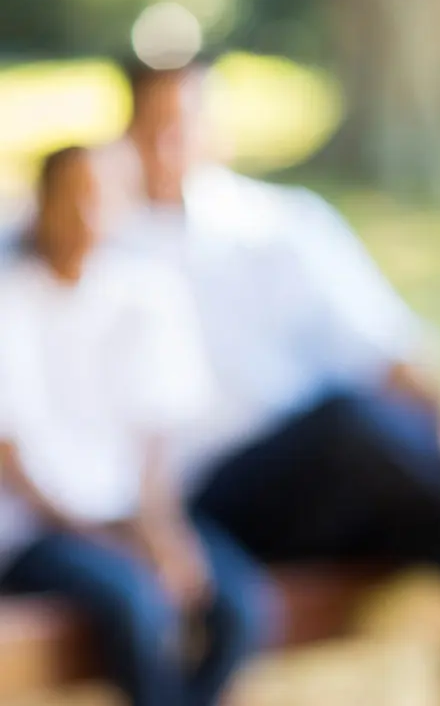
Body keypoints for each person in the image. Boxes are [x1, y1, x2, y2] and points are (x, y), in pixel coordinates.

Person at [116, 60, 440, 706]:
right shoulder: (105, 238)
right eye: (153, 126)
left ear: (218, 132)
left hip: (334, 491)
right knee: (345, 424)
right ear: (127, 133)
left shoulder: (282, 222)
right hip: (215, 502)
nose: (169, 144)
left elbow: (388, 347)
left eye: (185, 124)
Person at [0, 146, 272, 706]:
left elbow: (154, 438)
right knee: (139, 607)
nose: (85, 216)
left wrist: (161, 532)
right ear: (41, 204)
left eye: (100, 200)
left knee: (241, 605)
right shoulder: (12, 301)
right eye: (71, 198)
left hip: (125, 515)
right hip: (37, 529)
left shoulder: (147, 294)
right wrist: (110, 540)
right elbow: (13, 459)